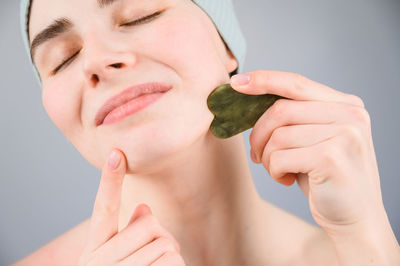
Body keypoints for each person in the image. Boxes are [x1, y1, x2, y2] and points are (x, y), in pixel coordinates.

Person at [15, 0, 400, 265]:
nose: (95, 61)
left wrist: (366, 238)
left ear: (225, 42)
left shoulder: (361, 252)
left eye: (139, 15)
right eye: (61, 60)